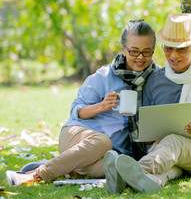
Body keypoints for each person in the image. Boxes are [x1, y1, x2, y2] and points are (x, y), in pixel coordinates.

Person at [6, 20, 158, 194]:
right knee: (102, 142)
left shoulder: (157, 79)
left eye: (147, 52)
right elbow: (76, 110)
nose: (140, 57)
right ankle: (38, 174)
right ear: (123, 50)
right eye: (134, 51)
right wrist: (101, 106)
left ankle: (66, 165)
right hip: (78, 134)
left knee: (116, 166)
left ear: (153, 50)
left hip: (112, 153)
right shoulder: (105, 76)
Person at [104, 12, 191, 193]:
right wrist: (149, 134)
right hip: (167, 153)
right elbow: (146, 131)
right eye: (168, 48)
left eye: (181, 49)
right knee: (167, 168)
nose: (174, 55)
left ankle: (128, 173)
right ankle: (144, 182)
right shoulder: (155, 80)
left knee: (173, 141)